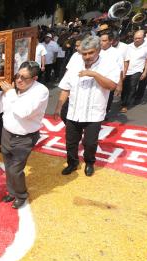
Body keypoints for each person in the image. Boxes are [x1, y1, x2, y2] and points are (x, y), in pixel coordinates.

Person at [54, 36, 120, 177]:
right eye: (84, 54)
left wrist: (94, 74)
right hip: (73, 111)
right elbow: (65, 88)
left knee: (90, 143)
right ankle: (72, 163)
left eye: (91, 53)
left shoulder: (109, 64)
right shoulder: (75, 65)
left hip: (94, 114)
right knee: (71, 142)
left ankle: (89, 162)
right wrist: (59, 107)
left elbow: (112, 86)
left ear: (98, 50)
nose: (87, 56)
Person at [0, 61, 49, 209]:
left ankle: (21, 195)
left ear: (34, 79)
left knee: (15, 170)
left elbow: (23, 112)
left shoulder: (41, 91)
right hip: (6, 133)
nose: (19, 80)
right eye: (18, 76)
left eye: (24, 78)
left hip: (25, 138)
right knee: (8, 167)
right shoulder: (12, 89)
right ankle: (12, 191)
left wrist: (10, 93)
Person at [120, 30, 147, 113]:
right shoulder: (128, 46)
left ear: (143, 38)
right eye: (135, 38)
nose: (137, 40)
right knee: (124, 87)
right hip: (126, 70)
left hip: (137, 71)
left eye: (139, 38)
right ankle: (123, 100)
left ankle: (125, 105)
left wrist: (145, 72)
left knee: (132, 87)